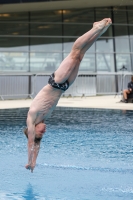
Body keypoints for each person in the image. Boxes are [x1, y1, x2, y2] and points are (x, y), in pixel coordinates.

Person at [24, 18, 112, 172]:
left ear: (32, 129)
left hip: (56, 82)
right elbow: (38, 144)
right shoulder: (42, 119)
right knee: (80, 56)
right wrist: (34, 163)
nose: (44, 131)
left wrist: (28, 160)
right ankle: (100, 31)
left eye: (40, 132)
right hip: (65, 86)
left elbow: (32, 142)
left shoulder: (32, 117)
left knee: (74, 53)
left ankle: (95, 28)